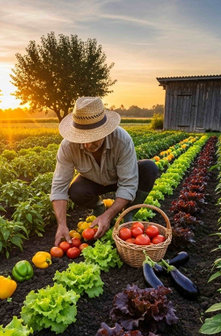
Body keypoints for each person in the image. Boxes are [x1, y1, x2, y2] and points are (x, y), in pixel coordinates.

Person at [50, 97, 159, 245]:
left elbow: (128, 185)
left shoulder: (122, 140)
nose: (88, 144)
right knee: (75, 190)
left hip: (119, 179)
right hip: (93, 181)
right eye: (83, 138)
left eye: (94, 137)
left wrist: (110, 215)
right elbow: (59, 187)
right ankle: (98, 207)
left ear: (106, 130)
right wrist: (62, 224)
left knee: (149, 168)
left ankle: (128, 214)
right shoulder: (68, 146)